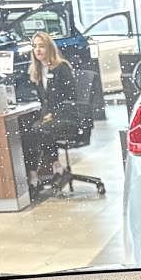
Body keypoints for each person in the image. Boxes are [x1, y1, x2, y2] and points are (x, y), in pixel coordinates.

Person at [20, 31, 82, 189]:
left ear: (49, 48)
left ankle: (51, 166)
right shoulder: (37, 70)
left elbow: (71, 97)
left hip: (66, 116)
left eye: (41, 46)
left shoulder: (61, 67)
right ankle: (37, 171)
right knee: (27, 132)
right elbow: (43, 99)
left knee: (39, 129)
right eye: (35, 46)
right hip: (49, 117)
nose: (38, 50)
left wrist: (54, 114)